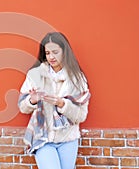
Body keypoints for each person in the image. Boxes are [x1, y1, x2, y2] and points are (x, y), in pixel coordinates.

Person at [18, 32, 91, 169]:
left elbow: (81, 115)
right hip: (43, 137)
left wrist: (62, 104)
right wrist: (32, 101)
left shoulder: (77, 78)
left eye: (55, 52)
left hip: (68, 139)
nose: (51, 57)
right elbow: (22, 106)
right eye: (47, 53)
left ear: (65, 51)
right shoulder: (36, 74)